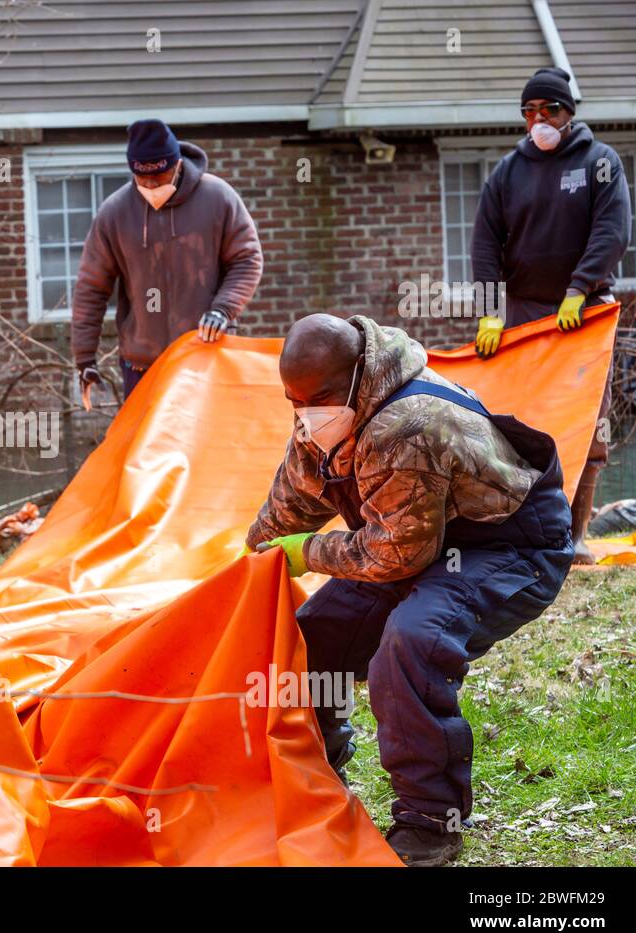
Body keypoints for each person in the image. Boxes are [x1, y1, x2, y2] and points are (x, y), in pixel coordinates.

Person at [245, 313, 572, 866]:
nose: (305, 414)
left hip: (507, 546)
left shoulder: (409, 423)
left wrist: (308, 553)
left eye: (317, 398)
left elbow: (397, 555)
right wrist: (253, 560)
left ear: (357, 376)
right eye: (292, 401)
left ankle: (429, 822)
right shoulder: (323, 414)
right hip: (413, 537)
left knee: (410, 644)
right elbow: (292, 503)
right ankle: (315, 773)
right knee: (310, 639)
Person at [470, 66, 631, 563]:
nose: (539, 119)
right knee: (516, 423)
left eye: (550, 110)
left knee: (587, 423)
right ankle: (518, 533)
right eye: (530, 112)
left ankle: (574, 535)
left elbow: (612, 229)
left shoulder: (600, 162)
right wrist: (491, 309)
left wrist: (579, 289)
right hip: (521, 315)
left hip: (582, 318)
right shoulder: (508, 171)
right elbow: (484, 243)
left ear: (569, 113)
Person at [70, 119, 263, 405]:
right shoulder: (115, 212)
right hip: (143, 363)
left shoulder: (218, 198)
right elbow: (91, 286)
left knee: (206, 446)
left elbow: (247, 258)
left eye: (158, 179)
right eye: (142, 179)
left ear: (177, 165)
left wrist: (223, 310)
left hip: (207, 353)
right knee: (148, 449)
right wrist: (85, 358)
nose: (150, 186)